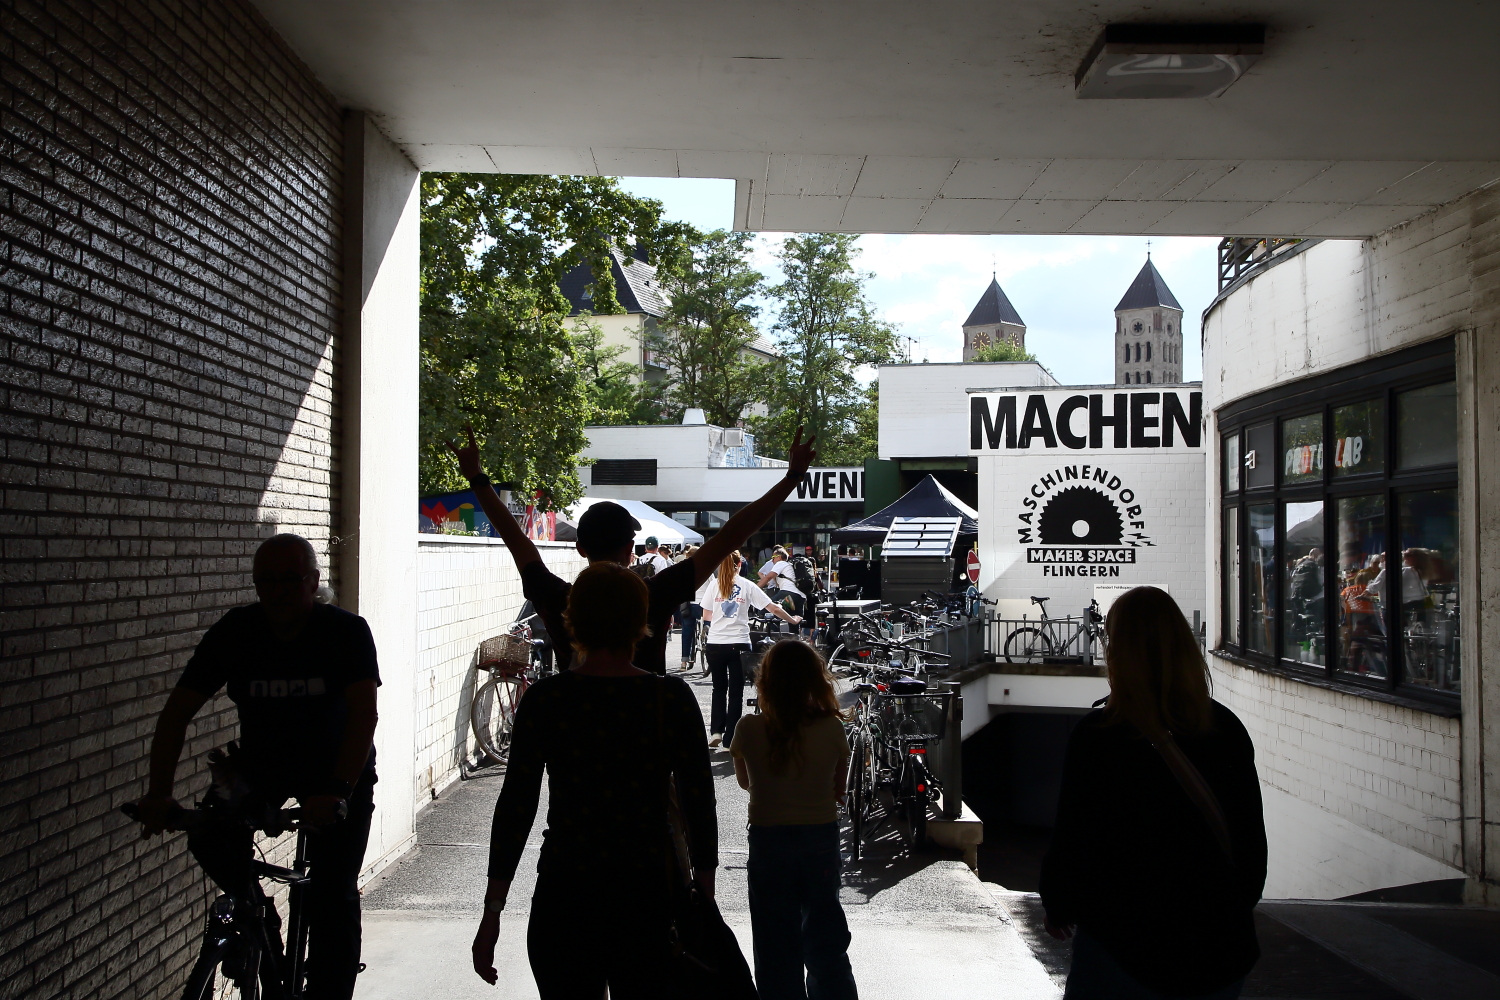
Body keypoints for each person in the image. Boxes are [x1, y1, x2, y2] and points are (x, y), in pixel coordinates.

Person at [133, 534, 380, 1000]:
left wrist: (338, 790)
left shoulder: (345, 632)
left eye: (290, 579)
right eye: (267, 580)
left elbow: (364, 715)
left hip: (336, 771)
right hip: (263, 767)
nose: (278, 590)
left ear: (313, 582)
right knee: (208, 833)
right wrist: (160, 792)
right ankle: (258, 918)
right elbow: (176, 713)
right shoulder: (237, 631)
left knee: (333, 895)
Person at [471, 564, 718, 997]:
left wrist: (493, 910)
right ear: (640, 622)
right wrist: (704, 898)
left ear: (574, 621)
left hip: (567, 887)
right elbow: (699, 802)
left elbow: (516, 805)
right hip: (648, 891)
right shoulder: (671, 699)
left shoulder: (547, 700)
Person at [1040, 586, 1267, 1000]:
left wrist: (1059, 904)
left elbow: (1075, 835)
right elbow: (1248, 837)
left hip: (1122, 943)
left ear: (1117, 651)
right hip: (1216, 949)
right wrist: (1230, 909)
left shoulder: (1099, 736)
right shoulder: (1224, 728)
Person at [446, 425, 817, 675]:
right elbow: (730, 536)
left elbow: (517, 540)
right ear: (629, 549)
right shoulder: (654, 597)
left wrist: (477, 478)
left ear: (580, 548)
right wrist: (792, 477)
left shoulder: (559, 603)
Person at [731, 640, 857, 1000]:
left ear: (766, 682)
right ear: (815, 680)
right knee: (826, 940)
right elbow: (838, 790)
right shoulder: (832, 728)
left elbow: (745, 783)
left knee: (774, 944)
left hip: (769, 839)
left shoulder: (748, 728)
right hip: (820, 838)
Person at [698, 551, 801, 748]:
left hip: (715, 642)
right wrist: (792, 620)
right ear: (739, 565)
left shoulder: (714, 584)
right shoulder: (746, 585)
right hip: (739, 642)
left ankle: (716, 731)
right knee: (736, 691)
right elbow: (773, 608)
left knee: (718, 688)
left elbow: (707, 615)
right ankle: (731, 738)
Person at [759, 546, 804, 618]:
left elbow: (768, 577)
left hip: (787, 592)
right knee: (794, 620)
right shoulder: (789, 565)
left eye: (773, 557)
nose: (772, 560)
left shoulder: (780, 563)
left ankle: (785, 604)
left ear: (779, 557)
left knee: (764, 608)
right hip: (800, 595)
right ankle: (786, 606)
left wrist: (754, 588)